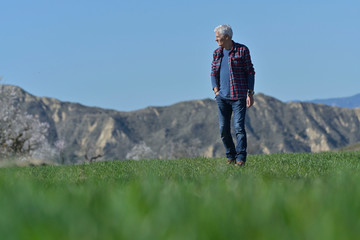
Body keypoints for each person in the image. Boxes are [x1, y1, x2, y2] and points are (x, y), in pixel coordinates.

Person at [211, 24, 255, 167]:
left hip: (238, 97)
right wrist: (216, 91)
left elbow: (250, 72)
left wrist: (250, 92)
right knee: (223, 130)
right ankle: (230, 155)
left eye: (218, 39)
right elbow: (213, 73)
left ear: (227, 37)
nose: (216, 41)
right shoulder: (217, 53)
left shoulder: (242, 50)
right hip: (222, 98)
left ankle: (241, 158)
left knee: (239, 128)